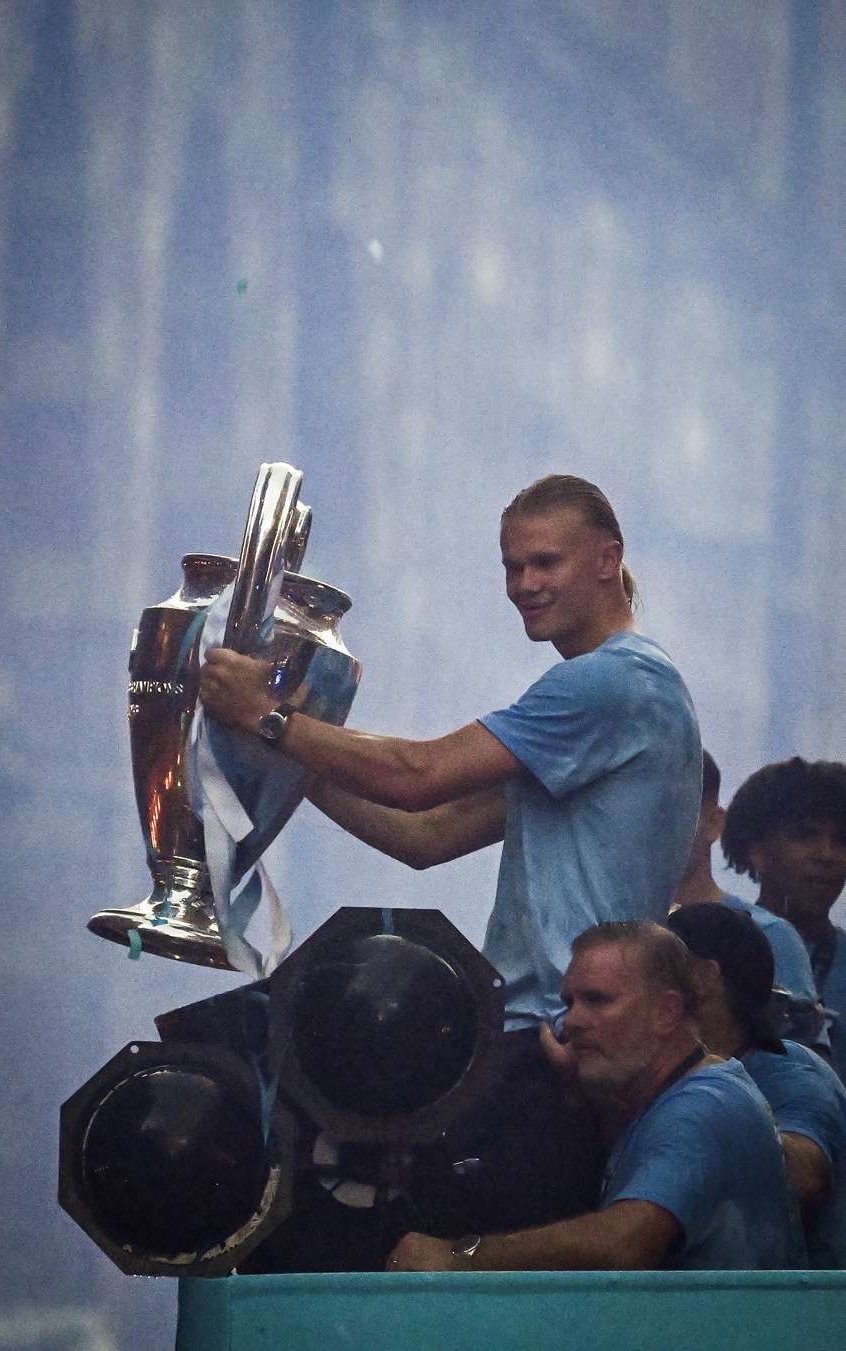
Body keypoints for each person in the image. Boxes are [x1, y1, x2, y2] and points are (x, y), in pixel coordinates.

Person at [199, 474, 702, 1238]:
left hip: (555, 1043)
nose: (525, 585)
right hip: (531, 1038)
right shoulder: (601, 706)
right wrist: (281, 754)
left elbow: (417, 773)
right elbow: (425, 835)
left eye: (545, 562)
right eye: (512, 567)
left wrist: (270, 720)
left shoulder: (611, 681)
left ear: (607, 559)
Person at [385, 921, 803, 1271]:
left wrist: (458, 1255)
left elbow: (625, 1241)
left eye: (597, 1001)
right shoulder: (680, 1095)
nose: (574, 1021)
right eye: (569, 1001)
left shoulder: (704, 1104)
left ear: (667, 1012)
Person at [667, 901, 846, 1268]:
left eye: (654, 967)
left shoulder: (791, 1069)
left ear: (701, 975)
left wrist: (712, 1088)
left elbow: (805, 1178)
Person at [673, 750, 822, 1045]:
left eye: (672, 812)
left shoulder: (771, 937)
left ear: (714, 823)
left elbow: (796, 1070)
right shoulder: (615, 932)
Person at [722, 758, 846, 1081]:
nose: (827, 854)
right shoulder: (717, 949)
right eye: (806, 836)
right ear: (756, 849)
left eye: (842, 840)